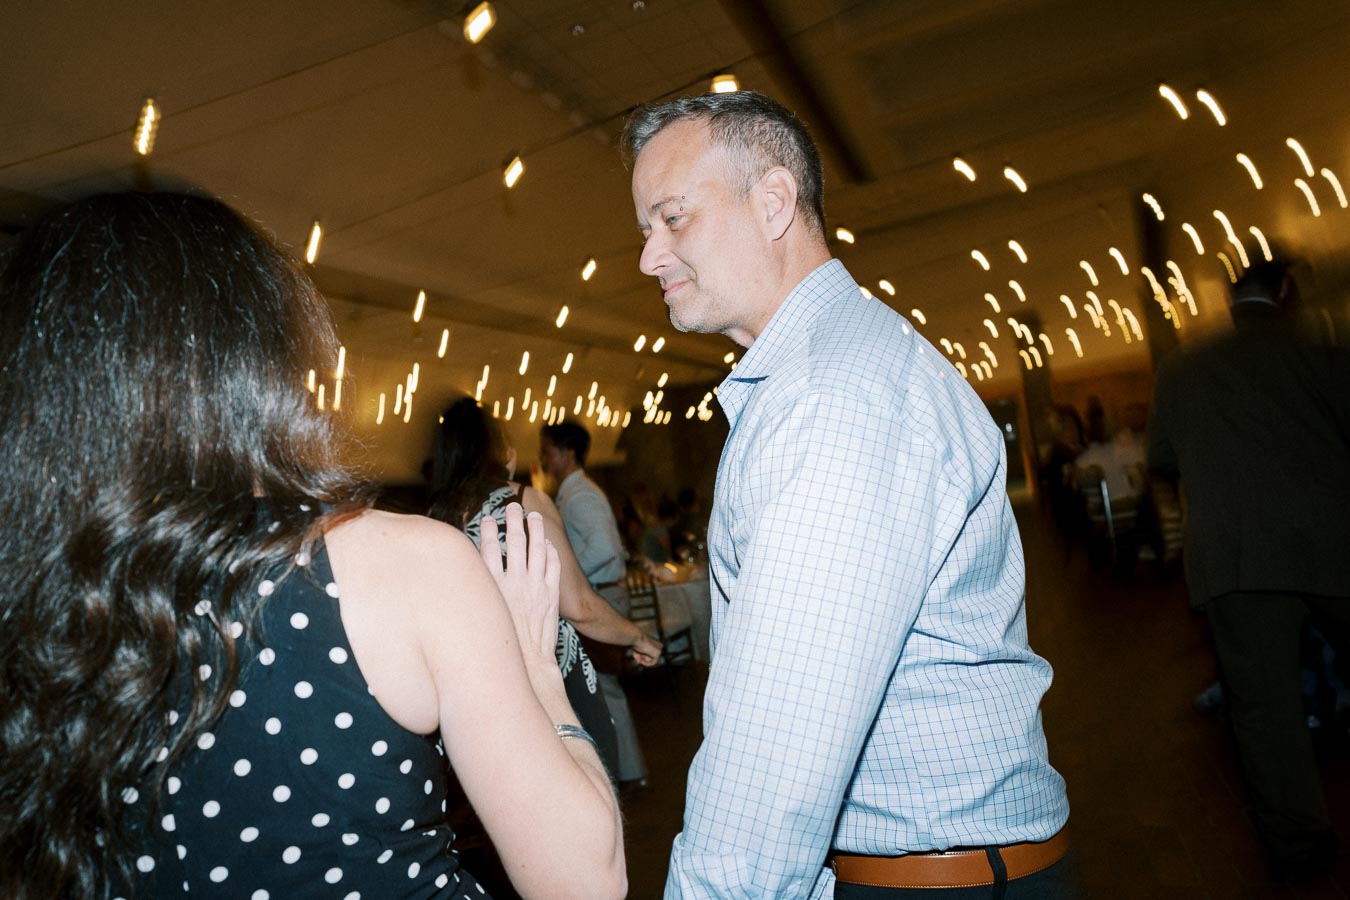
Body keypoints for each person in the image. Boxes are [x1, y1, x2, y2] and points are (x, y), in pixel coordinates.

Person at [0, 192, 625, 900]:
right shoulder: (405, 564)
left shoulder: (34, 598)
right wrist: (539, 668)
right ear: (260, 360)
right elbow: (584, 882)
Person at [623, 91, 1072, 898]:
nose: (649, 258)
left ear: (773, 203)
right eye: (644, 231)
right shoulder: (840, 367)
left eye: (673, 219)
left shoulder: (835, 398)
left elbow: (775, 757)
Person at [1149, 258, 1350, 876]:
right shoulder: (1318, 347)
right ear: (1285, 290)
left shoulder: (1183, 367)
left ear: (1228, 297)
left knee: (1266, 711)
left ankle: (1298, 846)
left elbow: (1159, 458)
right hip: (1331, 541)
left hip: (1235, 557)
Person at [427, 395, 663, 780]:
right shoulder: (521, 501)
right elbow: (579, 605)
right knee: (586, 793)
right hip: (546, 676)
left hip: (483, 683)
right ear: (498, 448)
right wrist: (639, 638)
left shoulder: (437, 517)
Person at [538, 421, 650, 786]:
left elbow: (604, 547)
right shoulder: (575, 492)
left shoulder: (580, 494)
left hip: (600, 593)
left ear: (566, 454)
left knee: (605, 689)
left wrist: (567, 577)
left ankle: (626, 773)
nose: (543, 458)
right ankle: (623, 771)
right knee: (602, 688)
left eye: (547, 451)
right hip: (600, 591)